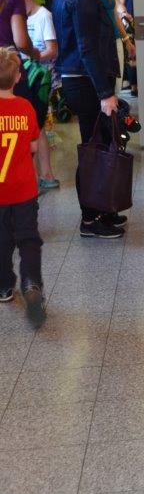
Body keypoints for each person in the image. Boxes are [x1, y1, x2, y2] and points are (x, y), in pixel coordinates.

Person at [52, 0, 124, 240]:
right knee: (94, 152)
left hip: (84, 79)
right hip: (86, 82)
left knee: (101, 146)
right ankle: (90, 219)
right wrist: (105, 93)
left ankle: (102, 209)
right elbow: (86, 49)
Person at [0, 48, 45, 328]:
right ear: (18, 77)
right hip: (24, 189)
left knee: (1, 240)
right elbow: (33, 146)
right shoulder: (26, 107)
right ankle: (31, 283)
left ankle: (4, 285)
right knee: (29, 239)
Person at [6, 0, 59, 191]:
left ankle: (43, 175)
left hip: (38, 77)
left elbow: (52, 49)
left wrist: (33, 57)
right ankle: (39, 176)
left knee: (36, 126)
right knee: (33, 126)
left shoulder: (43, 16)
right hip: (22, 74)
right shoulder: (17, 14)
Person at [96, 0, 136, 95]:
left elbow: (116, 9)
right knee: (104, 86)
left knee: (117, 85)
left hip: (116, 39)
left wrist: (127, 40)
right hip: (99, 42)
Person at [109, 0, 137, 95]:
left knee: (129, 56)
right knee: (133, 52)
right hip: (130, 15)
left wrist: (123, 12)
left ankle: (132, 85)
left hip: (122, 19)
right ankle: (133, 85)